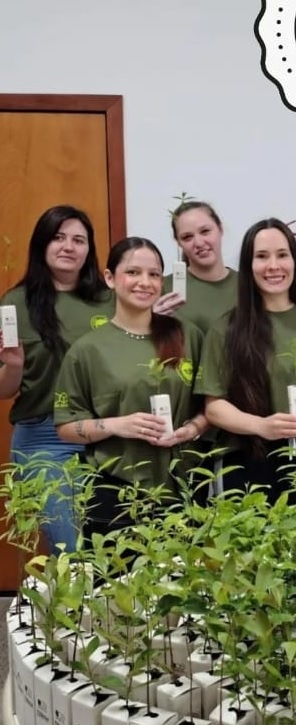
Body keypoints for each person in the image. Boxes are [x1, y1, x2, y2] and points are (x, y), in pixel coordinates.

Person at [54, 237, 207, 538]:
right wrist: (117, 425)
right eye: (133, 272)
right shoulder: (88, 350)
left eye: (154, 274)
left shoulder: (187, 336)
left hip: (185, 486)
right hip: (116, 490)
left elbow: (211, 406)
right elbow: (66, 427)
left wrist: (192, 429)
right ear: (110, 278)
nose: (145, 282)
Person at [198, 218, 296, 503]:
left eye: (282, 255)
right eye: (261, 256)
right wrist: (261, 426)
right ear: (248, 265)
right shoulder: (226, 328)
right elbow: (214, 407)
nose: (273, 266)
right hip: (246, 464)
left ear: (294, 261)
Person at [0, 205, 114, 552]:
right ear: (42, 244)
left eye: (79, 240)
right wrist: (14, 365)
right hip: (44, 437)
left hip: (106, 433)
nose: (68, 246)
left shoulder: (110, 300)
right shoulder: (14, 303)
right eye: (59, 237)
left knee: (113, 549)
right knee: (71, 549)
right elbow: (5, 390)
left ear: (89, 249)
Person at [154, 200, 237, 333]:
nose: (199, 243)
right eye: (187, 237)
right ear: (178, 242)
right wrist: (150, 322)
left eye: (205, 231)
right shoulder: (164, 289)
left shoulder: (248, 285)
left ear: (220, 229)